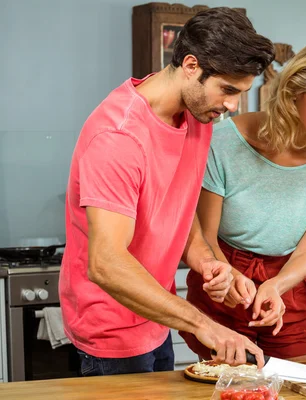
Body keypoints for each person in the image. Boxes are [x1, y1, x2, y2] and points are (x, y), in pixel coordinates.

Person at [59, 8, 275, 376]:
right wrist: (204, 324)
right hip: (111, 334)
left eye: (241, 93)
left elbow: (177, 207)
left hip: (158, 319)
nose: (232, 106)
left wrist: (210, 263)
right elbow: (106, 262)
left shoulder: (197, 116)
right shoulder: (119, 137)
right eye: (227, 89)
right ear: (191, 65)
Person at [180, 37, 306, 361]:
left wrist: (276, 286)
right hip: (225, 270)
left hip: (293, 280)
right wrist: (230, 282)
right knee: (229, 383)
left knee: (298, 384)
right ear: (293, 94)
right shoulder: (224, 142)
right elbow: (206, 238)